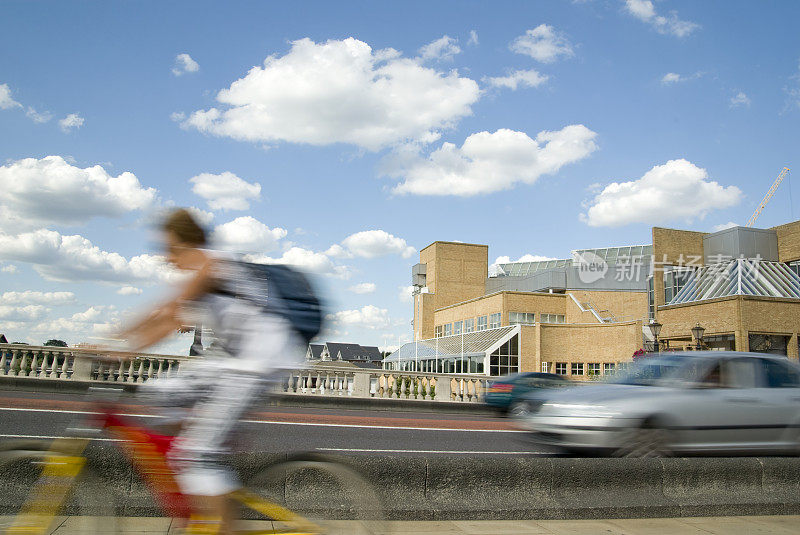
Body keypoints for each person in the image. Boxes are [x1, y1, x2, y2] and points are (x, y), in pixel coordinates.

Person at [116, 208, 303, 534]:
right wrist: (116, 341)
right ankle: (213, 452)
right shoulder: (207, 273)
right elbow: (171, 320)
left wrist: (118, 346)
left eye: (170, 250)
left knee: (197, 456)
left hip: (257, 364)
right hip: (232, 361)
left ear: (188, 245)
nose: (166, 258)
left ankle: (220, 511)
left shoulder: (213, 265)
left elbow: (170, 310)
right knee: (159, 391)